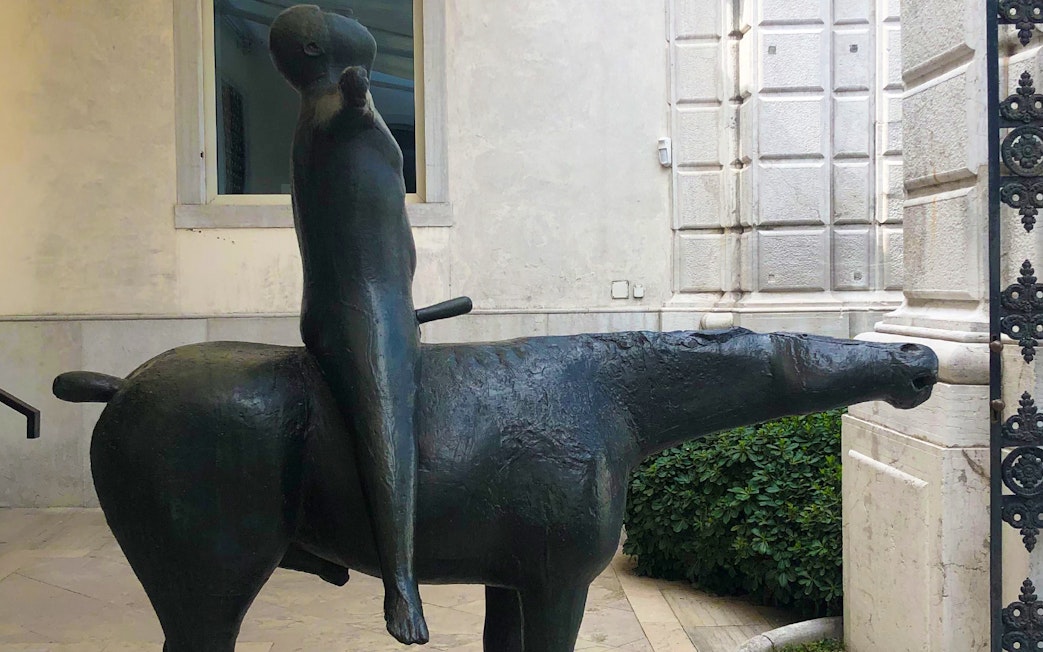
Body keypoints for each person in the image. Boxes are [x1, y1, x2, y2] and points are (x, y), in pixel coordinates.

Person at [269, 5, 428, 645]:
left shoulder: (334, 103)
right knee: (387, 420)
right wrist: (358, 95)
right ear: (314, 44)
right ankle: (401, 583)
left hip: (383, 297)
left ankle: (333, 547)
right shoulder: (330, 105)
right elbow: (346, 120)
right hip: (361, 305)